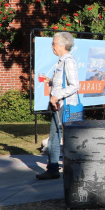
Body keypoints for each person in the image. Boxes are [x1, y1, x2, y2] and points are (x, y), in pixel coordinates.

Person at [36, 32, 79, 180]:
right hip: (58, 105)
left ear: (62, 45)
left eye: (53, 43)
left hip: (63, 105)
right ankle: (55, 168)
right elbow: (63, 83)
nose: (52, 46)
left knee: (57, 137)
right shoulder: (62, 61)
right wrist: (50, 81)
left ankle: (55, 168)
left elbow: (75, 85)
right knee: (55, 136)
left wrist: (57, 96)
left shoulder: (68, 61)